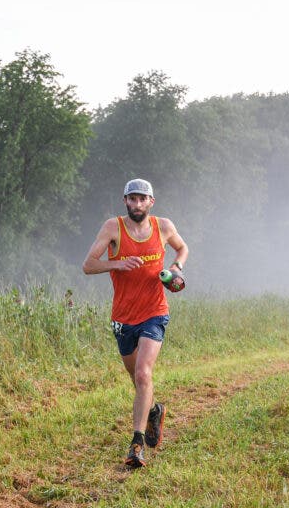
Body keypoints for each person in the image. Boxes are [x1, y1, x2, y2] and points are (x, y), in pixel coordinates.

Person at [82, 178, 188, 468]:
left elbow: (182, 249)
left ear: (151, 202)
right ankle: (154, 410)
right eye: (132, 199)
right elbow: (88, 265)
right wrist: (117, 263)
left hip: (155, 311)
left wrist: (175, 268)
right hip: (123, 317)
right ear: (125, 201)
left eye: (143, 199)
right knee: (137, 380)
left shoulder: (163, 226)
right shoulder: (112, 227)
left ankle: (136, 444)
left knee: (143, 374)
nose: (137, 204)